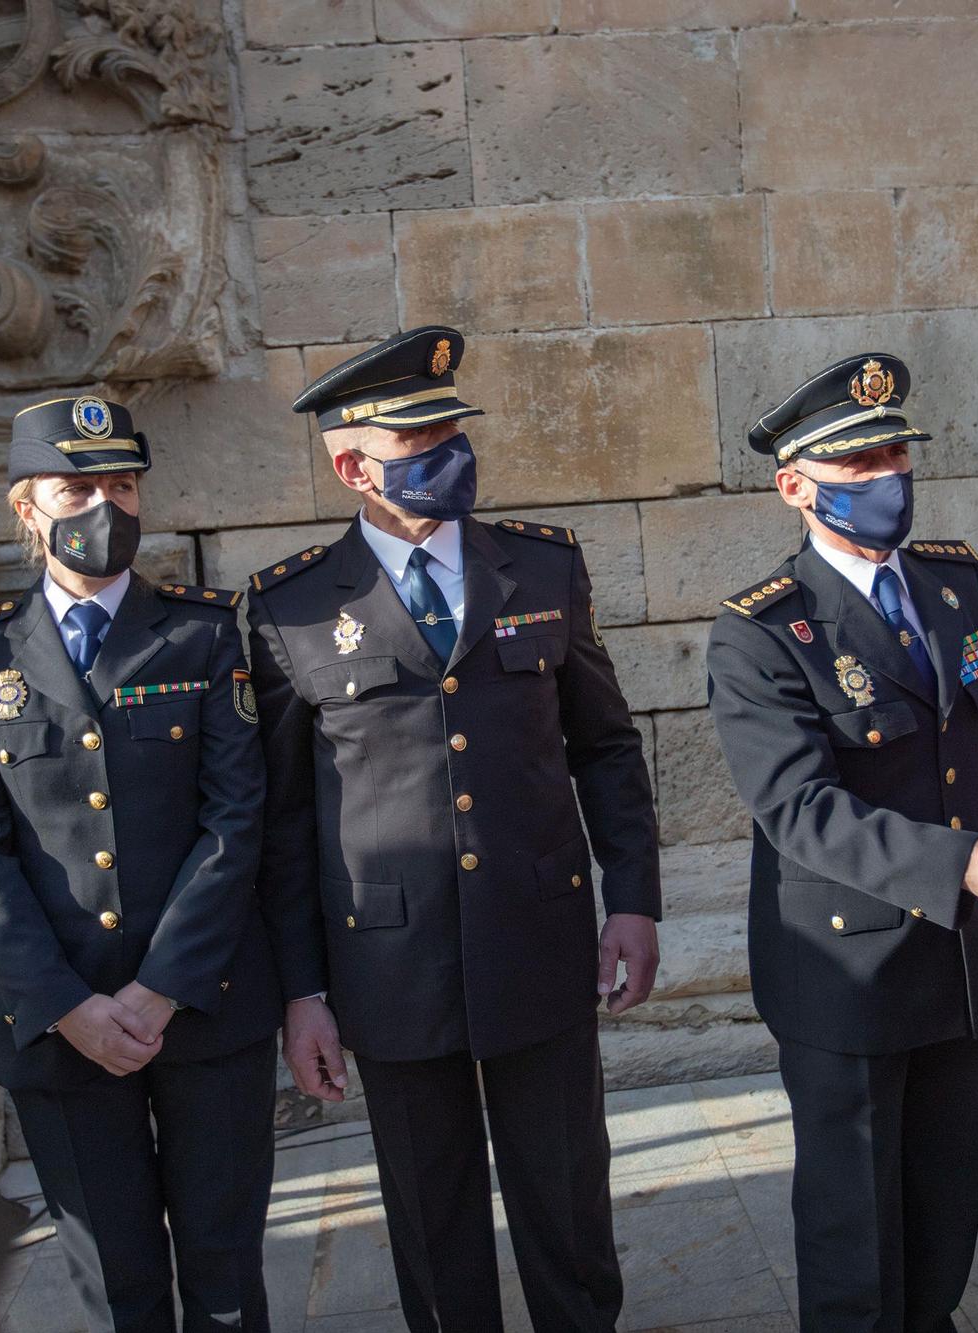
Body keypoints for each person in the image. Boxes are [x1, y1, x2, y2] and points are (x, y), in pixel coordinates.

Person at [247, 326, 661, 1333]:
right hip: (390, 965)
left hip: (536, 936)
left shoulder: (541, 569)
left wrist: (634, 902)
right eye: (417, 441)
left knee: (567, 1206)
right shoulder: (291, 608)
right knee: (432, 1228)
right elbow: (283, 820)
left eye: (452, 431)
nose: (449, 455)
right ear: (351, 467)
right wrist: (300, 991)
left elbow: (603, 748)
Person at [705, 354, 978, 1332]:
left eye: (894, 453)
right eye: (858, 462)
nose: (887, 477)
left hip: (957, 956)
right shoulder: (762, 631)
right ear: (794, 486)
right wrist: (967, 863)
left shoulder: (950, 584)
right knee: (853, 1236)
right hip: (846, 969)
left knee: (942, 1212)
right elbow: (797, 808)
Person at [0, 394, 286, 1333]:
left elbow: (233, 820)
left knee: (224, 1267)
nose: (104, 506)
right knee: (114, 1275)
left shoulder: (204, 633)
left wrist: (160, 987)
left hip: (204, 1005)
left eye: (121, 484)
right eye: (76, 485)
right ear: (26, 505)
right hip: (58, 1019)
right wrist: (69, 1004)